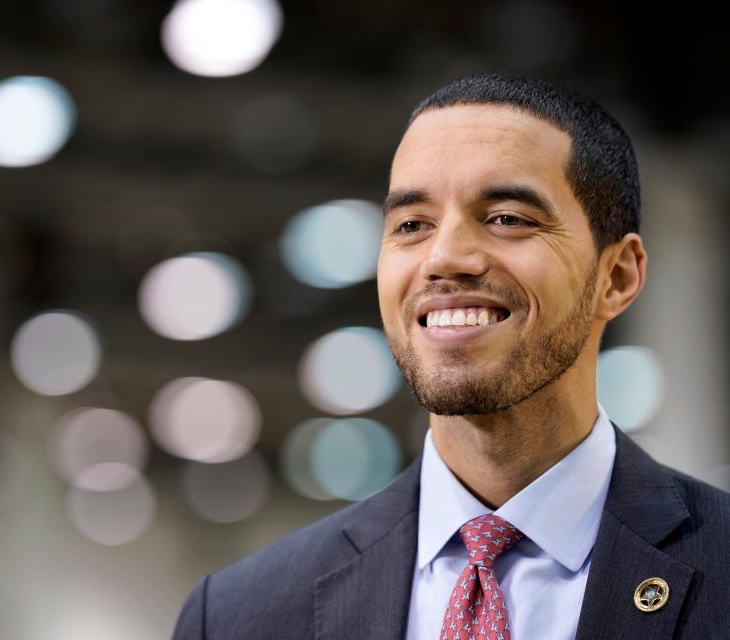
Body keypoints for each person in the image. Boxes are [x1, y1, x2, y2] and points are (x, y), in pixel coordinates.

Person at [171, 72, 730, 640]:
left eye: (508, 218)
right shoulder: (240, 615)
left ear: (617, 276)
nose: (445, 257)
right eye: (412, 225)